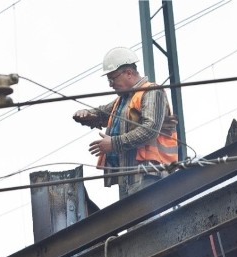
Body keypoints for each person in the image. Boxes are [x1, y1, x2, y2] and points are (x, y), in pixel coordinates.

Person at [73, 47, 178, 199]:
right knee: (134, 222)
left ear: (128, 73)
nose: (110, 84)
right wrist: (88, 115)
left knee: (147, 220)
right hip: (129, 177)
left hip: (151, 174)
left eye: (112, 78)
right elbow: (103, 113)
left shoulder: (151, 92)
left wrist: (114, 143)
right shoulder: (124, 100)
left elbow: (150, 129)